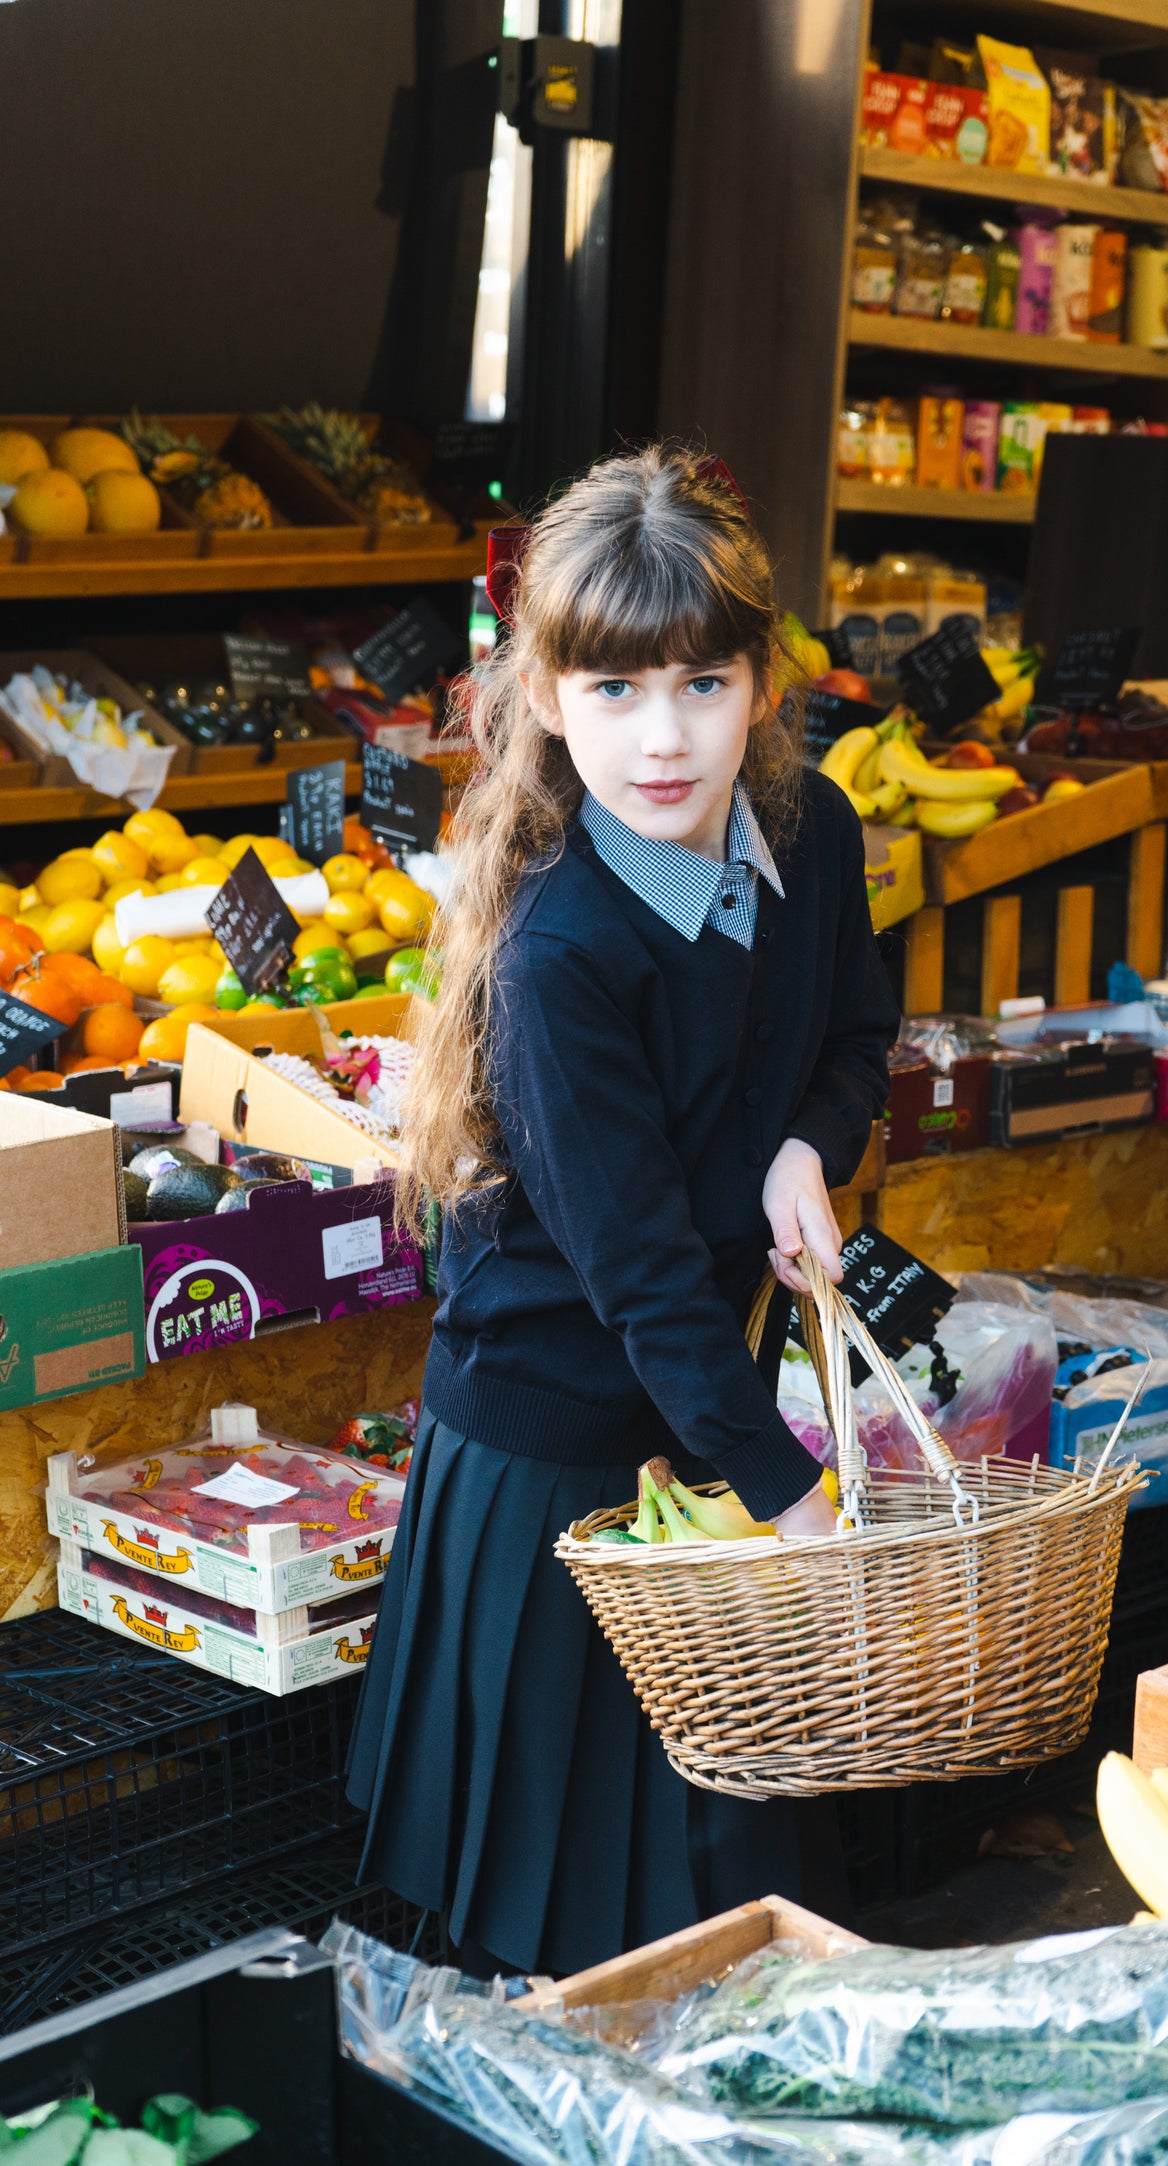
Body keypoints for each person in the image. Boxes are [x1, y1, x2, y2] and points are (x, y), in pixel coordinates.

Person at [347, 444, 899, 1980]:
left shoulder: (814, 829)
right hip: (553, 1464)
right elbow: (649, 1282)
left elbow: (856, 1031)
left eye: (702, 686)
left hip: (695, 1419)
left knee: (728, 1914)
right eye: (613, 693)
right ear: (543, 695)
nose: (662, 741)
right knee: (576, 1937)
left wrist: (805, 1145)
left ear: (764, 683)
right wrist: (795, 1510)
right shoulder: (561, 954)